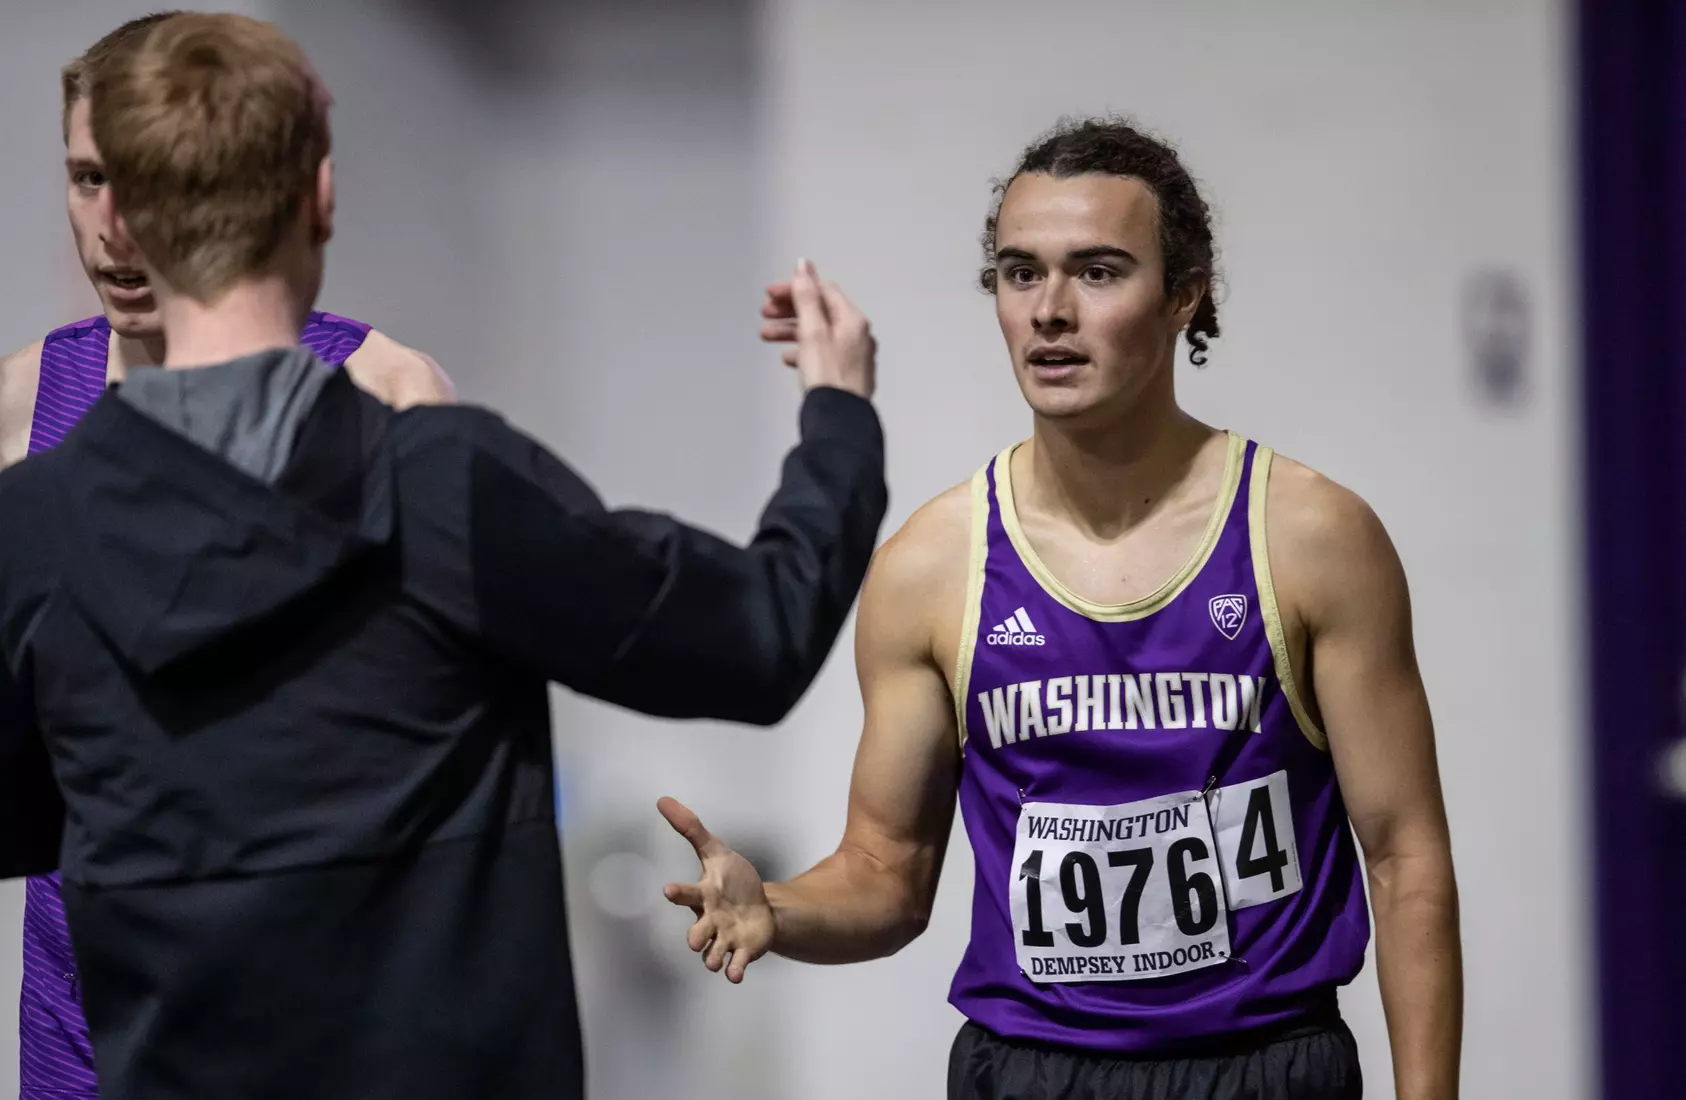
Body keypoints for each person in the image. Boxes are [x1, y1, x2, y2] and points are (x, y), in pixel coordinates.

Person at [0, 12, 885, 1100]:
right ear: (320, 198)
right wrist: (838, 416)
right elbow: (759, 635)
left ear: (128, 211)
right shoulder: (443, 488)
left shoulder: (36, 525)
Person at [661, 117, 1462, 1100]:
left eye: (1097, 271)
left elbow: (1405, 858)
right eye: (1020, 272)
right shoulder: (932, 567)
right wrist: (776, 910)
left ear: (1183, 295)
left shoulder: (1309, 538)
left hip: (1265, 1067)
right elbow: (886, 871)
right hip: (1030, 1073)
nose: (1049, 310)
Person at [0, 14, 456, 1098]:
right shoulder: (20, 405)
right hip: (85, 1008)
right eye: (88, 178)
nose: (116, 227)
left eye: (150, 177)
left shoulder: (384, 392)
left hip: (309, 1007)